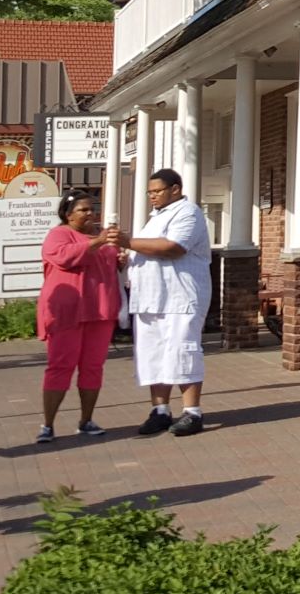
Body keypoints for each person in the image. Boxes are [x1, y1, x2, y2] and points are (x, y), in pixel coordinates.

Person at [113, 168, 212, 437]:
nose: (152, 197)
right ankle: (160, 411)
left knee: (183, 350)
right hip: (149, 298)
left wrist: (129, 241)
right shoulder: (154, 219)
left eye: (157, 191)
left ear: (175, 189)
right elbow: (146, 249)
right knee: (153, 354)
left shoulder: (188, 213)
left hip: (179, 297)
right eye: (150, 192)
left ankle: (192, 412)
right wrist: (128, 258)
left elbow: (173, 248)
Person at [36, 194, 123, 443]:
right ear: (68, 214)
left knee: (93, 367)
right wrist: (97, 242)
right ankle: (48, 424)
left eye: (92, 209)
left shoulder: (103, 237)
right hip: (67, 312)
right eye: (83, 210)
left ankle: (86, 420)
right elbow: (63, 257)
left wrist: (119, 261)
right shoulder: (59, 234)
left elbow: (107, 265)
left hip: (99, 311)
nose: (89, 214)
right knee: (61, 366)